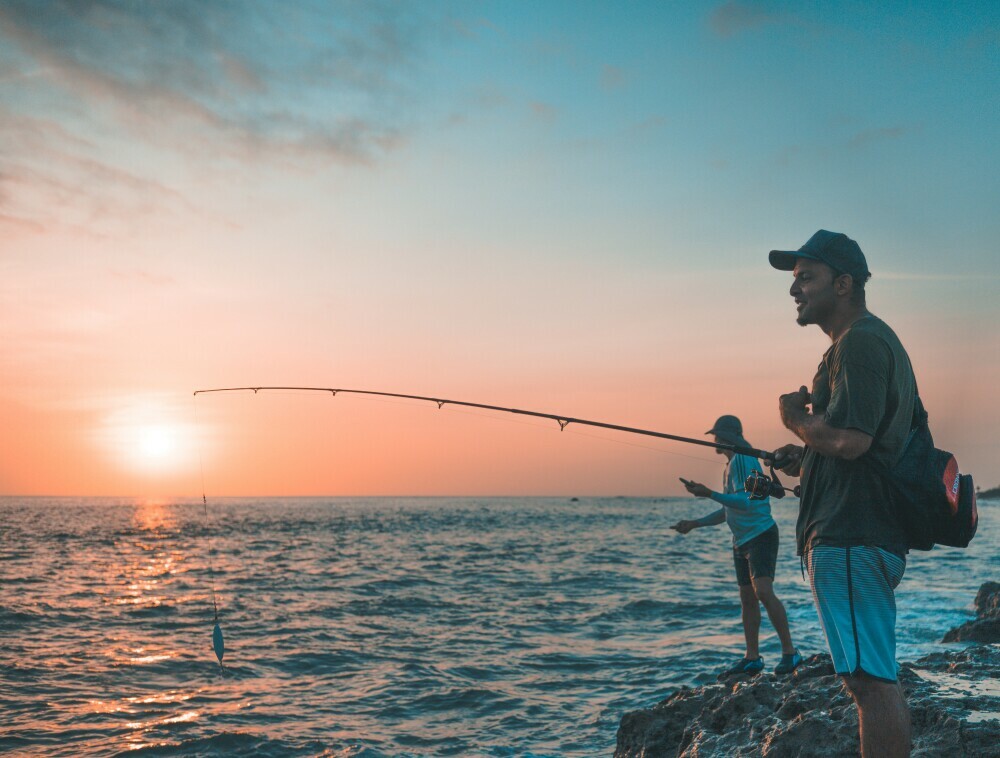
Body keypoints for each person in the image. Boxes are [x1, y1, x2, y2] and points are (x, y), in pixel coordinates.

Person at [768, 230, 915, 757]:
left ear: (845, 283)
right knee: (870, 678)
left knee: (868, 683)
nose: (795, 290)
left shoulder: (861, 343)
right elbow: (856, 446)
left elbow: (851, 443)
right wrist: (804, 455)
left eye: (806, 278)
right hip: (855, 533)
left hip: (852, 535)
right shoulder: (854, 347)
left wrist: (795, 421)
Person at [671, 415, 802, 677]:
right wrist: (694, 523)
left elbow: (749, 502)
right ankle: (752, 658)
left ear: (728, 436)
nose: (715, 441)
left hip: (761, 535)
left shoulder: (745, 458)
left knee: (763, 592)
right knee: (747, 599)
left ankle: (790, 653)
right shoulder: (729, 466)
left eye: (717, 436)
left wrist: (708, 493)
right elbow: (729, 509)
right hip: (740, 540)